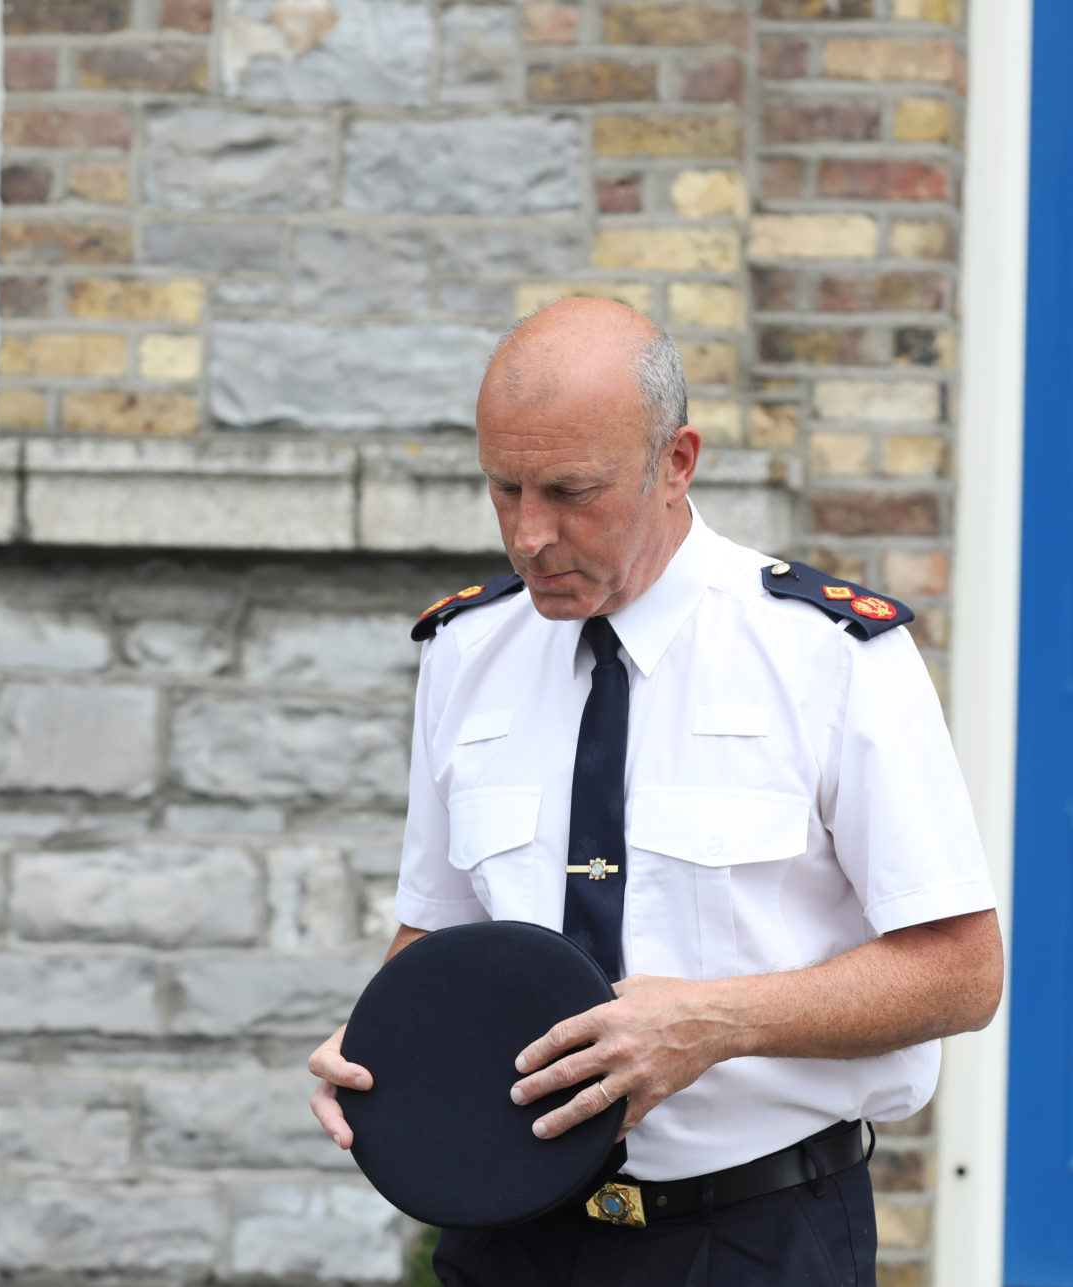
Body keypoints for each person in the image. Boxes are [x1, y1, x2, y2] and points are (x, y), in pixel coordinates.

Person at [307, 297, 1002, 1286]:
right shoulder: (465, 653)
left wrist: (712, 1023)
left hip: (751, 1238)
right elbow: (437, 936)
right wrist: (380, 1046)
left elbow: (961, 972)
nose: (527, 535)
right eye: (501, 489)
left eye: (568, 491)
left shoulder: (828, 655)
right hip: (506, 1239)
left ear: (676, 462)